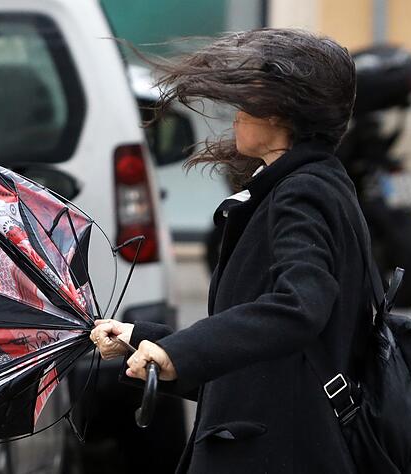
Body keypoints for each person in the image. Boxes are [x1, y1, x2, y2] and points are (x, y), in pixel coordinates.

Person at [91, 28, 368, 473]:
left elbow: (300, 306)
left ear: (279, 115)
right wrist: (143, 340)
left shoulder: (303, 192)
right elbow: (253, 355)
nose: (236, 117)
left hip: (279, 454)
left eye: (247, 103)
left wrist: (178, 353)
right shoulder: (312, 184)